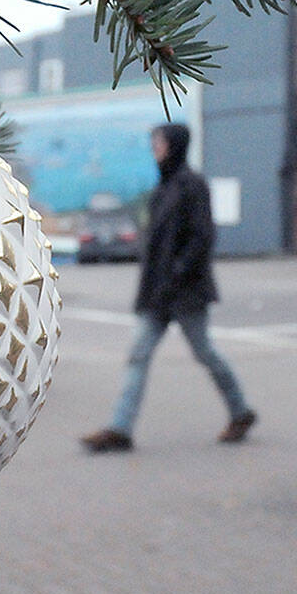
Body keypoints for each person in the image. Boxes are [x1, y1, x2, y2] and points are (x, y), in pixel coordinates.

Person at [82, 123, 257, 453]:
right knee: (138, 355)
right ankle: (120, 428)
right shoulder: (164, 187)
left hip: (184, 291)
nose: (154, 149)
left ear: (174, 145)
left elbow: (202, 237)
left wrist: (177, 273)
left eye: (158, 143)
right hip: (157, 293)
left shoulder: (192, 185)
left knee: (204, 351)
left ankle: (241, 411)